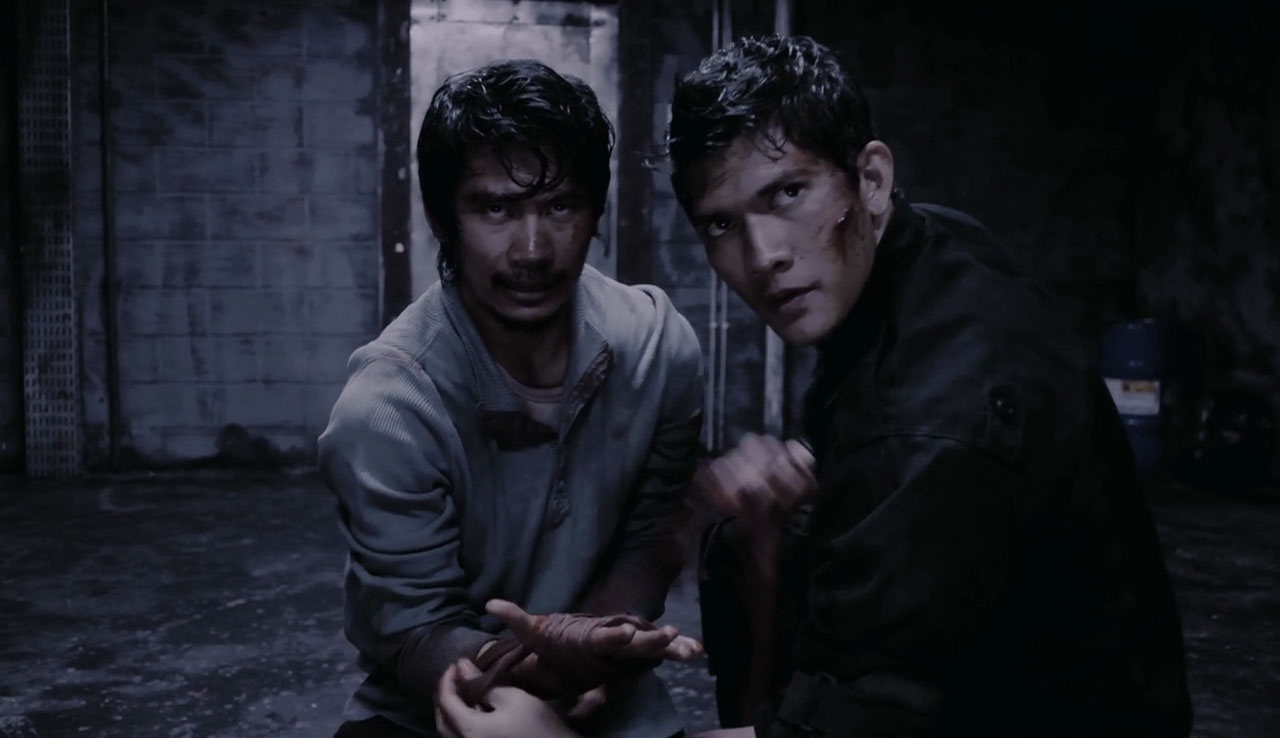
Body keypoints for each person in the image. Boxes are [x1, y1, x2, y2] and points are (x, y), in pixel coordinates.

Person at [665, 35, 1193, 737]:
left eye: (789, 193)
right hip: (1036, 675)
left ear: (871, 179)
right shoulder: (929, 246)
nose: (764, 257)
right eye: (722, 224)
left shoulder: (930, 425)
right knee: (746, 541)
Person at [318, 59, 704, 738]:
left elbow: (650, 538)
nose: (532, 250)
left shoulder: (659, 348)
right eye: (495, 208)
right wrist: (538, 671)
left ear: (596, 213)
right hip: (437, 704)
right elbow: (414, 632)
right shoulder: (387, 409)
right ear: (443, 219)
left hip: (613, 700)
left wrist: (591, 647)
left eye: (560, 206)